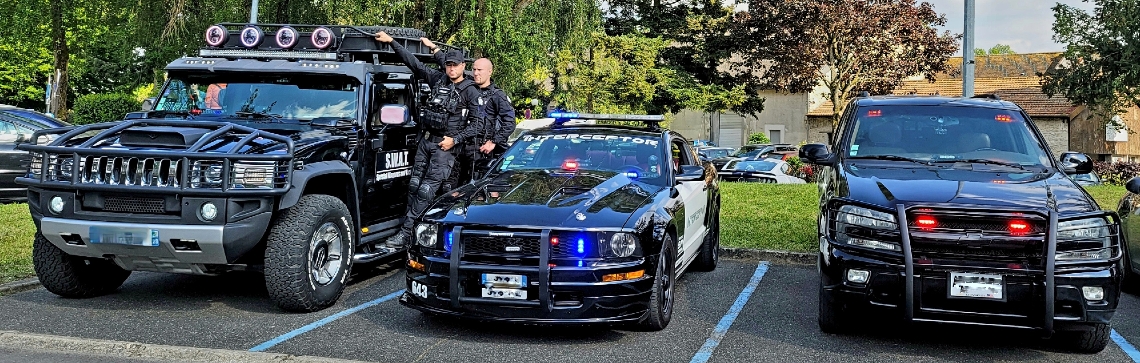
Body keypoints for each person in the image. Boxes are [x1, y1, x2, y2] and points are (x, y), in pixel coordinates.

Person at [374, 31, 485, 249]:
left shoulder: (471, 92)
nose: (451, 69)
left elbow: (478, 125)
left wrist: (455, 139)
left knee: (426, 192)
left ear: (464, 66)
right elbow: (413, 63)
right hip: (426, 142)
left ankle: (406, 235)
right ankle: (414, 232)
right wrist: (392, 42)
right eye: (449, 65)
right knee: (414, 187)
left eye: (455, 65)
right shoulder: (438, 79)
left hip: (445, 148)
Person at [441, 57, 516, 192]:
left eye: (480, 70)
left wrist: (493, 142)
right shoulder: (467, 88)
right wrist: (434, 49)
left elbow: (510, 122)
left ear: (490, 72)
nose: (476, 73)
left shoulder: (497, 95)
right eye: (474, 69)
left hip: (481, 151)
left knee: (478, 190)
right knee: (450, 189)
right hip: (460, 147)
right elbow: (451, 68)